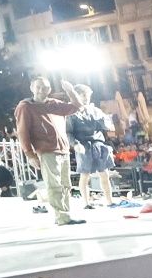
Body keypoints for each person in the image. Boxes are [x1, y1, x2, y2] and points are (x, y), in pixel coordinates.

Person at [13, 76, 81, 227]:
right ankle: (62, 217)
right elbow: (22, 132)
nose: (41, 90)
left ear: (49, 89)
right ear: (32, 88)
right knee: (54, 185)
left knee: (65, 185)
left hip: (62, 150)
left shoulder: (54, 104)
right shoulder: (26, 107)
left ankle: (65, 215)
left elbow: (76, 106)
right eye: (38, 87)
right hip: (46, 150)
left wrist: (70, 91)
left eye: (45, 87)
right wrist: (30, 154)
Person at [67, 85, 116, 208]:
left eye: (87, 95)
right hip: (83, 145)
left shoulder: (94, 110)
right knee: (85, 175)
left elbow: (107, 124)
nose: (86, 98)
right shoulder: (71, 113)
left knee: (104, 173)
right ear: (76, 96)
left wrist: (107, 121)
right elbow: (68, 132)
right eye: (83, 95)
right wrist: (75, 144)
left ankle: (109, 201)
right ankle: (86, 202)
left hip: (98, 143)